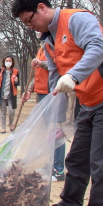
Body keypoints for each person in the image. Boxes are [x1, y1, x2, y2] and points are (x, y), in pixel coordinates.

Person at [11, 0, 103, 206]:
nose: (30, 27)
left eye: (30, 20)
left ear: (42, 7)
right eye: (26, 24)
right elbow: (55, 77)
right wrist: (57, 119)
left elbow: (97, 48)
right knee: (76, 159)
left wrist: (74, 76)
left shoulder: (76, 19)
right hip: (88, 102)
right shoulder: (48, 39)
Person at [22, 41, 66, 182]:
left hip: (53, 92)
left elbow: (58, 67)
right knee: (49, 132)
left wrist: (41, 63)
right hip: (41, 92)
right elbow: (37, 73)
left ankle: (59, 169)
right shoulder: (41, 49)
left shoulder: (55, 47)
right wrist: (29, 89)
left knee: (56, 131)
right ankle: (51, 164)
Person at [0, 56, 19, 133]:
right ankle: (3, 127)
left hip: (11, 94)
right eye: (6, 60)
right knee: (2, 111)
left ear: (12, 62)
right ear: (4, 62)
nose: (8, 62)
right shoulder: (0, 70)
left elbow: (17, 83)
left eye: (9, 61)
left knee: (11, 111)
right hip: (1, 93)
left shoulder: (15, 71)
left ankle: (10, 124)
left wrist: (16, 81)